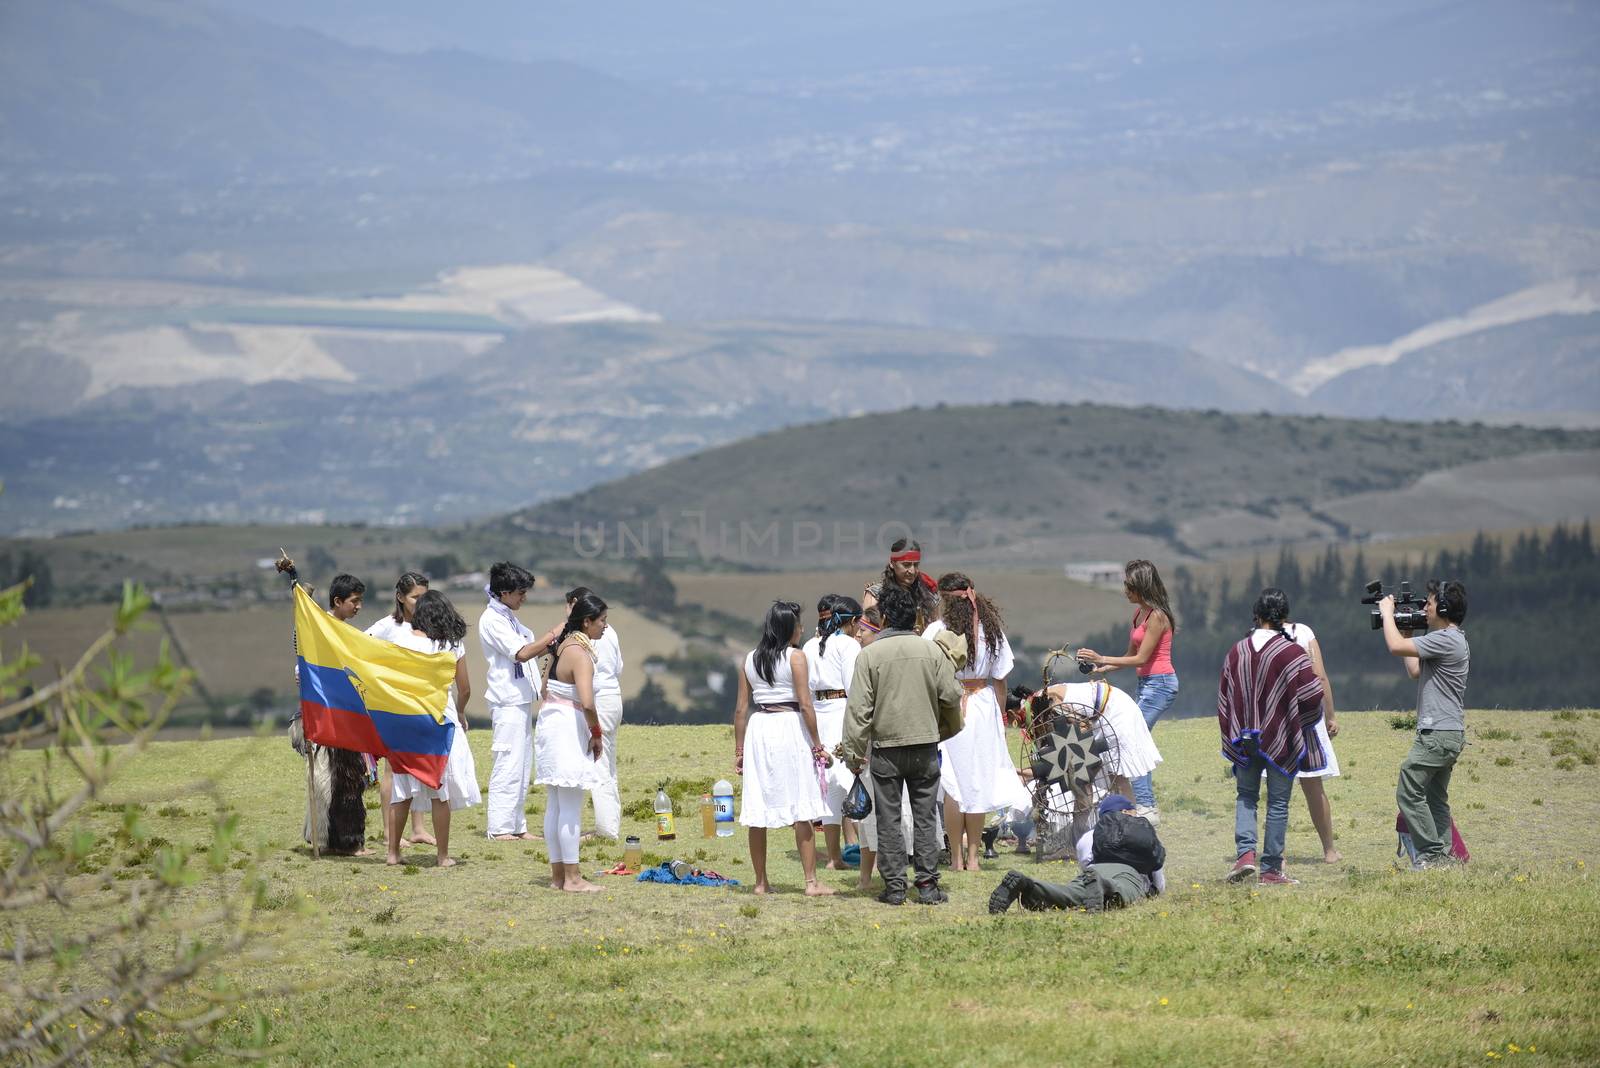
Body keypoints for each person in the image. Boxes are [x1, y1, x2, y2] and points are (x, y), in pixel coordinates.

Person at [842, 585, 964, 905]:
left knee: (889, 818)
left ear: (882, 618)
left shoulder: (868, 655)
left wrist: (853, 754)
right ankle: (927, 885)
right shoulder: (933, 651)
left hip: (886, 748)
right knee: (926, 817)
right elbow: (951, 696)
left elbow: (858, 711)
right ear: (915, 618)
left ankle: (895, 887)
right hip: (925, 745)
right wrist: (945, 728)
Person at [1218, 588, 1326, 886]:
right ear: (1284, 618)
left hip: (1244, 737)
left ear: (1257, 615)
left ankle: (1244, 856)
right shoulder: (1292, 653)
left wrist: (1236, 728)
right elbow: (1313, 694)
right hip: (1282, 736)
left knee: (1246, 796)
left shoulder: (1236, 651)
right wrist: (1296, 719)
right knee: (1278, 803)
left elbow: (1225, 696)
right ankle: (1271, 870)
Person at [924, 573, 1030, 871]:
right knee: (978, 781)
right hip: (983, 706)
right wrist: (999, 717)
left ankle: (956, 857)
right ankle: (973, 857)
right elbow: (1000, 680)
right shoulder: (990, 629)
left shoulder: (936, 629)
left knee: (954, 784)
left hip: (949, 704)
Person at [733, 600, 835, 897]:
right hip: (789, 726)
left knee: (757, 808)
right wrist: (818, 745)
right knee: (801, 803)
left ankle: (760, 882)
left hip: (760, 728)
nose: (802, 630)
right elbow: (805, 704)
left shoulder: (749, 659)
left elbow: (741, 710)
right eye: (799, 625)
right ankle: (811, 882)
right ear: (789, 628)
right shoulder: (796, 657)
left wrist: (739, 752)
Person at [1077, 559, 1179, 824]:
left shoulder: (1157, 617)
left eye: (1130, 586)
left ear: (1142, 587)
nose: (1125, 591)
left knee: (1133, 741)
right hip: (1147, 684)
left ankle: (1146, 805)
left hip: (1160, 684)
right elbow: (1130, 655)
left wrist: (1102, 658)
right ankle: (1138, 802)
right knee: (1131, 740)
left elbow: (1142, 659)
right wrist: (1102, 668)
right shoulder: (1140, 615)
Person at [1380, 578, 1470, 870]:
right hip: (1448, 732)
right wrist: (1407, 631)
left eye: (1429, 603)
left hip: (1437, 732)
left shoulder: (1445, 638)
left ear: (1443, 608)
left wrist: (1386, 613)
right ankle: (1446, 857)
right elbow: (1416, 670)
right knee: (1435, 798)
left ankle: (1430, 854)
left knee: (1408, 789)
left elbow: (1394, 646)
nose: (1425, 608)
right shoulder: (1451, 639)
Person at [387, 590, 480, 867]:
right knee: (440, 789)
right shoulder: (451, 644)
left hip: (406, 717)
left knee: (401, 788)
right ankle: (442, 856)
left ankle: (392, 853)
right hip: (440, 717)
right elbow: (464, 688)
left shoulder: (400, 640)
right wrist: (461, 711)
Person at [478, 563, 564, 841]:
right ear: (503, 593)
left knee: (523, 762)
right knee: (507, 761)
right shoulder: (492, 620)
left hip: (521, 698)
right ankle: (500, 827)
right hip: (506, 700)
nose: (523, 598)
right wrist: (553, 634)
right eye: (520, 593)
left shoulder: (508, 617)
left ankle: (517, 825)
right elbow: (522, 653)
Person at [536, 590, 612, 892]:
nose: (605, 626)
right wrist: (596, 734)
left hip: (550, 722)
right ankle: (572, 877)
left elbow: (544, 687)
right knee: (570, 806)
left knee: (555, 804)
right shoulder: (580, 655)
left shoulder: (560, 647)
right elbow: (589, 702)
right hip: (567, 727)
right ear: (587, 622)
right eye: (602, 621)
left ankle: (558, 876)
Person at [988, 795, 1166, 913]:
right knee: (1120, 892)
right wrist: (1154, 890)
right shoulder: (1141, 829)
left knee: (1070, 893)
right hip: (1129, 874)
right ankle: (1104, 886)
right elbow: (1157, 874)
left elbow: (1086, 865)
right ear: (1128, 811)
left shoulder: (1091, 834)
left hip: (1096, 869)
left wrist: (1093, 876)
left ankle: (1029, 885)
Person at [368, 571, 435, 847]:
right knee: (391, 769)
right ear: (400, 597)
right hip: (394, 705)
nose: (420, 602)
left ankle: (418, 827)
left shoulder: (430, 625)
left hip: (422, 704)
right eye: (414, 597)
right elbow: (360, 647)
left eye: (424, 597)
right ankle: (388, 831)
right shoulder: (386, 626)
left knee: (418, 765)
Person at [802, 594, 863, 870]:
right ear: (850, 622)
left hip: (816, 713)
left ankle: (834, 857)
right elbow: (855, 688)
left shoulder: (809, 646)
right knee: (852, 783)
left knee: (828, 790)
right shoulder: (849, 645)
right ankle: (863, 850)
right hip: (841, 713)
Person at [567, 587, 625, 841]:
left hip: (598, 699)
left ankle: (606, 829)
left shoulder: (583, 637)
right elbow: (619, 666)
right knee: (608, 766)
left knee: (599, 765)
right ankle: (609, 823)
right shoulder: (610, 632)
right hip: (614, 697)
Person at [1283, 615, 1342, 863]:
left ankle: (1278, 855)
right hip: (1308, 716)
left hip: (1275, 720)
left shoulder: (1256, 636)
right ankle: (1329, 850)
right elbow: (1320, 676)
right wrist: (1331, 715)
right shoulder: (1304, 632)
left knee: (1278, 792)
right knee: (1314, 787)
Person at [862, 538, 940, 633]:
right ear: (892, 563)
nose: (912, 570)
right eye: (906, 565)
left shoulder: (929, 596)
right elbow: (867, 633)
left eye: (915, 565)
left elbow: (936, 631)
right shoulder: (875, 595)